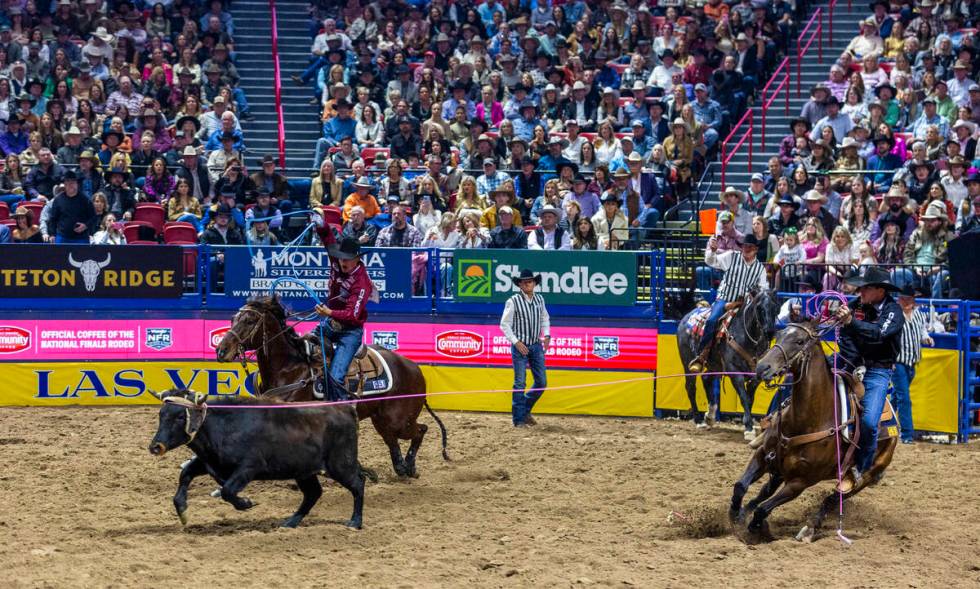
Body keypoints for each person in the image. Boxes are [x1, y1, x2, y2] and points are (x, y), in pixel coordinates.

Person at [834, 266, 904, 493]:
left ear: (880, 290)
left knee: (869, 422)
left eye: (865, 287)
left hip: (878, 371)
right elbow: (845, 337)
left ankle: (860, 469)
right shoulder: (855, 307)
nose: (860, 291)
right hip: (850, 363)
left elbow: (878, 335)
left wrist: (851, 323)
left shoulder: (893, 311)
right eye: (860, 287)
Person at [689, 233, 769, 373]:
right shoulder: (731, 256)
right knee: (712, 320)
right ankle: (702, 355)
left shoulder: (760, 269)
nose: (746, 249)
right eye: (744, 246)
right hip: (724, 299)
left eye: (750, 247)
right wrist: (712, 250)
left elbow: (763, 289)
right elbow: (711, 262)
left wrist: (753, 297)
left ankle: (760, 356)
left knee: (762, 323)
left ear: (756, 249)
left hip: (745, 304)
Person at [313, 235, 375, 402]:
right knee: (302, 348)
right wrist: (320, 223)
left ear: (356, 259)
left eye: (347, 259)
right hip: (329, 325)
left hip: (350, 332)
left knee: (335, 378)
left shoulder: (362, 282)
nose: (342, 262)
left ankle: (341, 412)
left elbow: (352, 316)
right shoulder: (336, 261)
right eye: (341, 258)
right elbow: (327, 239)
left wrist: (329, 313)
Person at [499, 268, 551, 427]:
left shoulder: (540, 300)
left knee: (541, 382)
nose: (528, 284)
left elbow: (545, 318)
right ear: (520, 284)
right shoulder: (513, 301)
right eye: (524, 282)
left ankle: (524, 411)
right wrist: (516, 342)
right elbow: (504, 324)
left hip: (536, 344)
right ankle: (519, 419)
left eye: (530, 281)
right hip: (520, 346)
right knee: (520, 383)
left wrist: (547, 335)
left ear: (534, 283)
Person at [892, 285, 934, 445]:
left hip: (913, 361)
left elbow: (922, 332)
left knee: (897, 396)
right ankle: (907, 434)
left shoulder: (919, 315)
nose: (908, 302)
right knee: (904, 398)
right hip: (898, 362)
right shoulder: (895, 316)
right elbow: (888, 339)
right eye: (905, 299)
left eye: (910, 299)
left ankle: (881, 420)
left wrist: (927, 339)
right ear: (900, 299)